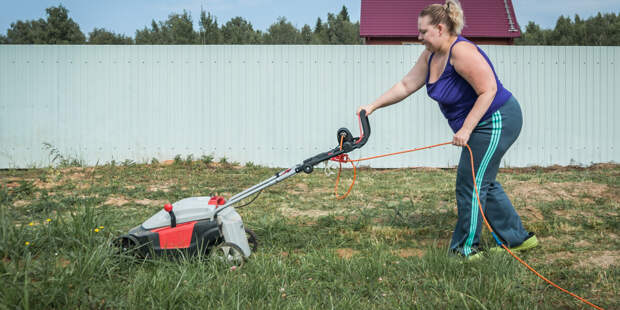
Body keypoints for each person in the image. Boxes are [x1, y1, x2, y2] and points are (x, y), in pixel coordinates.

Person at [357, 0, 538, 258]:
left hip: (497, 118)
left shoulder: (461, 51)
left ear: (440, 28)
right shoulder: (431, 55)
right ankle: (518, 239)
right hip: (481, 121)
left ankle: (466, 250)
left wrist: (466, 129)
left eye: (423, 31)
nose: (418, 37)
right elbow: (406, 85)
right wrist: (372, 106)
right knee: (482, 180)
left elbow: (489, 91)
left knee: (470, 183)